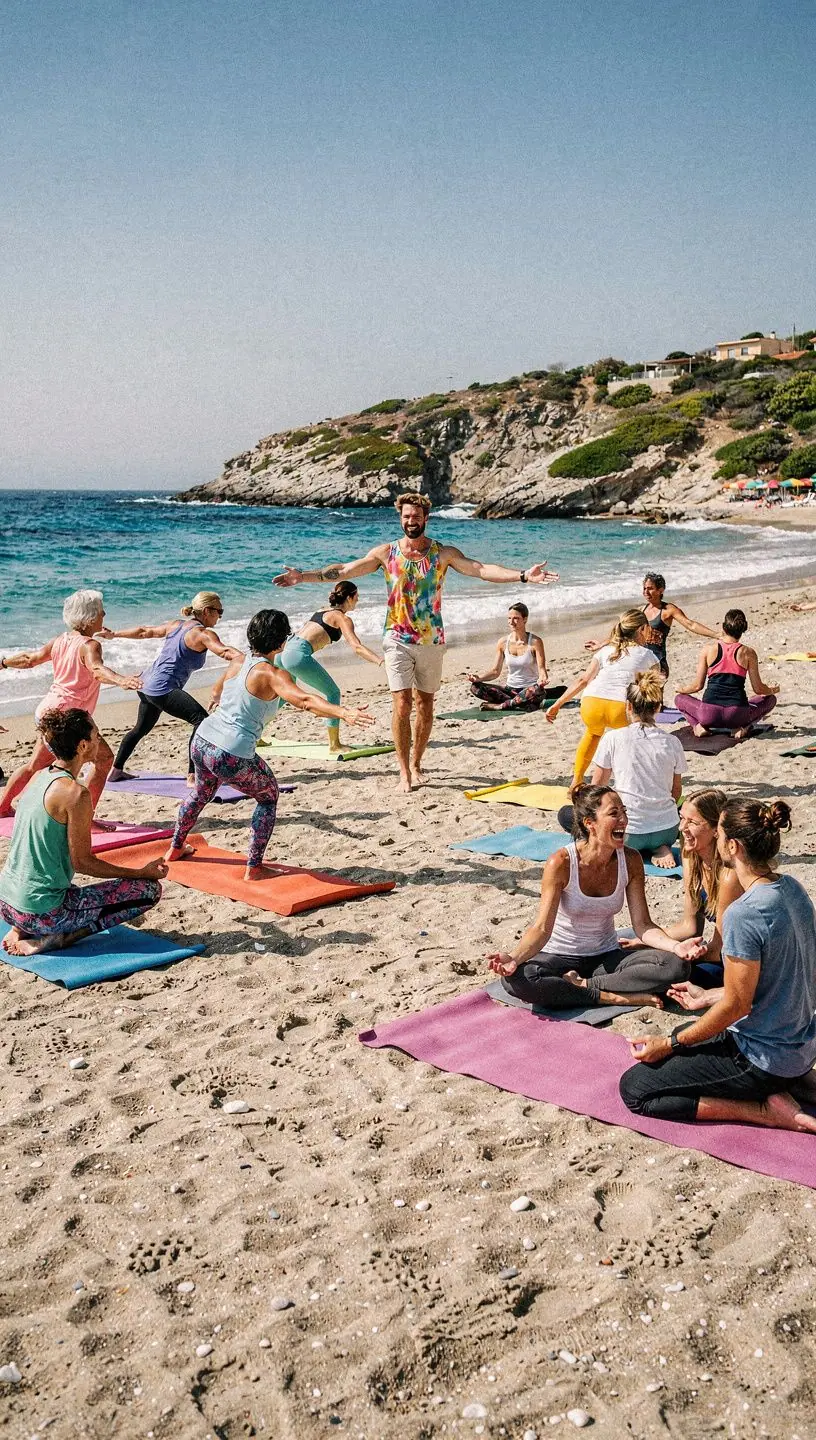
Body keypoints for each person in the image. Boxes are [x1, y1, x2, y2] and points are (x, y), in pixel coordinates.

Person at [272, 491, 559, 793]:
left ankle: (416, 764)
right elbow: (344, 570)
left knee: (425, 704)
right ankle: (402, 771)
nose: (411, 521)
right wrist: (302, 577)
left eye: (416, 516)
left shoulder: (442, 553)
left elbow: (480, 569)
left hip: (431, 640)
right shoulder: (386, 553)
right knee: (402, 703)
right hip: (396, 638)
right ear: (401, 518)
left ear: (425, 518)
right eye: (406, 516)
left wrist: (524, 575)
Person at [620, 798, 816, 1134]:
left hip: (760, 1058)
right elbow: (781, 980)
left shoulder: (745, 912)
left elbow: (738, 1005)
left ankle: (766, 1111)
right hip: (800, 1048)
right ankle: (792, 1085)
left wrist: (670, 1042)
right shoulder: (793, 890)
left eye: (721, 832)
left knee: (636, 1090)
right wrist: (708, 996)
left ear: (733, 846)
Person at [166, 609, 375, 879]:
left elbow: (217, 692)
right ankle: (254, 868)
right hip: (231, 753)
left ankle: (175, 847)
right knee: (268, 797)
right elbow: (305, 701)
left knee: (201, 794)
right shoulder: (273, 674)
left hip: (202, 740)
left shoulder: (238, 660)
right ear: (282, 642)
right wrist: (344, 712)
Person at [486, 785, 704, 1009]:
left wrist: (675, 947)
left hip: (605, 956)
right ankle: (613, 997)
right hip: (560, 956)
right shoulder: (561, 862)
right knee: (517, 979)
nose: (624, 819)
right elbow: (542, 928)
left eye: (624, 811)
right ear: (589, 823)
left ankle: (584, 985)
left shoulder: (630, 860)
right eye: (614, 813)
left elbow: (643, 924)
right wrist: (514, 958)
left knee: (676, 966)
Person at [0, 709, 165, 956]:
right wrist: (140, 872)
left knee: (66, 888)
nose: (100, 740)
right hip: (41, 914)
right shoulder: (75, 794)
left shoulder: (39, 777)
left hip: (7, 903)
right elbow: (83, 862)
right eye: (97, 735)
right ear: (83, 745)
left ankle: (19, 928)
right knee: (148, 890)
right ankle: (57, 938)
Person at [0, 590, 140, 825]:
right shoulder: (90, 645)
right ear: (89, 617)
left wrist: (3, 663)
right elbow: (96, 669)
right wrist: (121, 680)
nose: (104, 614)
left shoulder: (60, 640)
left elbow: (29, 659)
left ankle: (2, 807)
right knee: (103, 760)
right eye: (100, 610)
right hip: (67, 718)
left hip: (47, 711)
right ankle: (84, 819)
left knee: (35, 765)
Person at [106, 592, 242, 782]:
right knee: (201, 721)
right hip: (163, 688)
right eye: (219, 611)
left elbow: (145, 631)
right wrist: (248, 659)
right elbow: (226, 652)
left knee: (140, 728)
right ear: (207, 611)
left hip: (146, 684)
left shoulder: (176, 625)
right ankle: (193, 775)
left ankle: (115, 770)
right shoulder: (203, 634)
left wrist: (113, 635)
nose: (220, 616)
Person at [556, 668, 685, 867]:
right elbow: (675, 792)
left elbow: (597, 788)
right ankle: (660, 847)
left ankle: (632, 847)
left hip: (627, 833)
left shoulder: (613, 738)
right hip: (667, 830)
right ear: (658, 708)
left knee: (566, 814)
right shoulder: (672, 741)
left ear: (628, 706)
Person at [619, 788, 743, 976]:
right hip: (717, 953)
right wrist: (644, 943)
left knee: (666, 969)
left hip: (738, 961)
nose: (681, 827)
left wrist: (681, 952)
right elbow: (690, 927)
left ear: (716, 829)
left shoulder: (731, 873)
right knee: (630, 943)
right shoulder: (690, 856)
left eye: (692, 822)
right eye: (681, 818)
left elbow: (718, 949)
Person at [546, 609, 659, 790]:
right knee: (630, 741)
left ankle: (576, 781)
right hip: (620, 708)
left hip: (591, 703)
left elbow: (583, 680)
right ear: (642, 629)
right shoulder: (648, 655)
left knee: (592, 734)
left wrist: (557, 704)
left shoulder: (605, 650)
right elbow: (652, 689)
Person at [273, 581, 384, 753]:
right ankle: (334, 745)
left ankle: (257, 736)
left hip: (283, 650)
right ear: (349, 597)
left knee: (281, 696)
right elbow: (356, 646)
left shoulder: (322, 610)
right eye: (357, 597)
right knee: (333, 693)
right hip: (296, 655)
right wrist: (380, 661)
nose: (358, 600)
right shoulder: (342, 618)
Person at [674, 609, 778, 740]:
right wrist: (772, 690)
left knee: (679, 699)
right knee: (770, 699)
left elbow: (697, 687)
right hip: (736, 715)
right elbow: (758, 689)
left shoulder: (708, 650)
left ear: (723, 627)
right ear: (743, 629)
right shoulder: (748, 652)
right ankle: (744, 727)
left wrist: (681, 689)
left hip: (709, 714)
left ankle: (698, 727)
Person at [584, 573, 717, 676]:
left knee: (656, 704)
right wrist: (601, 644)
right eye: (644, 588)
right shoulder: (641, 610)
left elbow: (691, 625)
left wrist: (717, 634)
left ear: (660, 590)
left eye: (650, 588)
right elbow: (622, 631)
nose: (646, 592)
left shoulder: (668, 610)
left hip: (658, 663)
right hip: (638, 661)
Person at [467, 602, 566, 711]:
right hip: (509, 691)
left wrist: (543, 679)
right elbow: (495, 671)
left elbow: (541, 669)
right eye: (509, 618)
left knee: (537, 692)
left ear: (525, 619)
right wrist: (479, 678)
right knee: (475, 687)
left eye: (516, 618)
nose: (511, 622)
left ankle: (500, 706)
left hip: (530, 690)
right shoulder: (503, 642)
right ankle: (515, 702)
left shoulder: (535, 642)